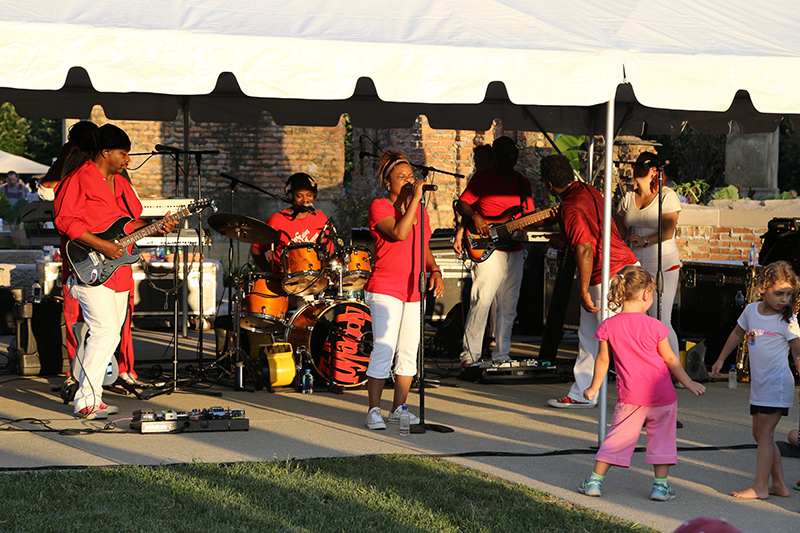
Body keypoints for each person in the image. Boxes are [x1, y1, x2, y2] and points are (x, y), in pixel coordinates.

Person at [54, 124, 177, 419]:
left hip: (118, 269)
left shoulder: (121, 183)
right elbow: (65, 220)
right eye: (124, 153)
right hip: (89, 264)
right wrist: (102, 246)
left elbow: (129, 225)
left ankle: (93, 396)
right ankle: (86, 399)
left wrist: (159, 225)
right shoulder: (78, 178)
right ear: (105, 152)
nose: (128, 159)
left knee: (111, 333)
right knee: (104, 329)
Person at [578, 265, 706, 500]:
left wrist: (594, 388)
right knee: (663, 439)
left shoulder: (608, 326)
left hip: (631, 398)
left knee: (617, 438)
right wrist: (689, 383)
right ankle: (660, 486)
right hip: (663, 396)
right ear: (647, 294)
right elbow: (671, 359)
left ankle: (594, 482)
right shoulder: (656, 326)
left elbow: (603, 360)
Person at [540, 154, 637, 408]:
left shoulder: (569, 206)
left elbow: (584, 247)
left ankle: (642, 400)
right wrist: (564, 236)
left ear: (549, 185)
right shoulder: (588, 190)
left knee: (616, 339)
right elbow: (592, 229)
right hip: (627, 265)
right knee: (592, 334)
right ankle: (582, 393)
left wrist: (583, 290)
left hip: (608, 274)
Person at [364, 151, 444, 430]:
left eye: (411, 176)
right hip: (385, 287)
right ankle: (374, 409)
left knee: (409, 350)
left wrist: (435, 270)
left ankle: (399, 408)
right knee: (384, 349)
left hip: (413, 288)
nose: (410, 181)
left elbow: (423, 246)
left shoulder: (418, 211)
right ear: (388, 183)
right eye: (402, 177)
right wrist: (415, 202)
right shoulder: (380, 206)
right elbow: (399, 233)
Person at [710, 260, 800, 499]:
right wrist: (720, 359)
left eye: (788, 294)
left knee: (764, 435)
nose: (784, 299)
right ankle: (779, 485)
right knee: (760, 436)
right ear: (762, 288)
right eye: (778, 293)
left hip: (778, 385)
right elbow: (737, 333)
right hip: (760, 386)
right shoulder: (751, 310)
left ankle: (761, 486)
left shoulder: (788, 320)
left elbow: (797, 352)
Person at [455, 136, 541, 366]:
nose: (512, 155)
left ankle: (501, 355)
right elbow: (461, 203)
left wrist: (544, 218)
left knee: (509, 304)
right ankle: (470, 355)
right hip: (487, 248)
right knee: (482, 300)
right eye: (506, 151)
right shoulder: (482, 178)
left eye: (514, 151)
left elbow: (529, 216)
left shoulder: (524, 183)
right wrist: (475, 216)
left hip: (514, 249)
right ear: (496, 155)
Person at [615, 152, 681, 357]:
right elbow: (618, 233)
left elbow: (669, 231)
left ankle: (676, 370)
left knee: (661, 319)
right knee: (637, 318)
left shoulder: (667, 195)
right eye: (636, 166)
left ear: (654, 171)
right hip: (635, 266)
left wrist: (644, 240)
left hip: (664, 264)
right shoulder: (627, 198)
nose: (635, 170)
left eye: (641, 167)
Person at [251, 172, 328, 275]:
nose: (305, 200)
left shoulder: (321, 218)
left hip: (315, 281)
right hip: (284, 282)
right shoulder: (277, 220)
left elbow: (328, 251)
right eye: (299, 196)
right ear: (290, 197)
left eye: (309, 195)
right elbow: (256, 247)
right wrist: (267, 267)